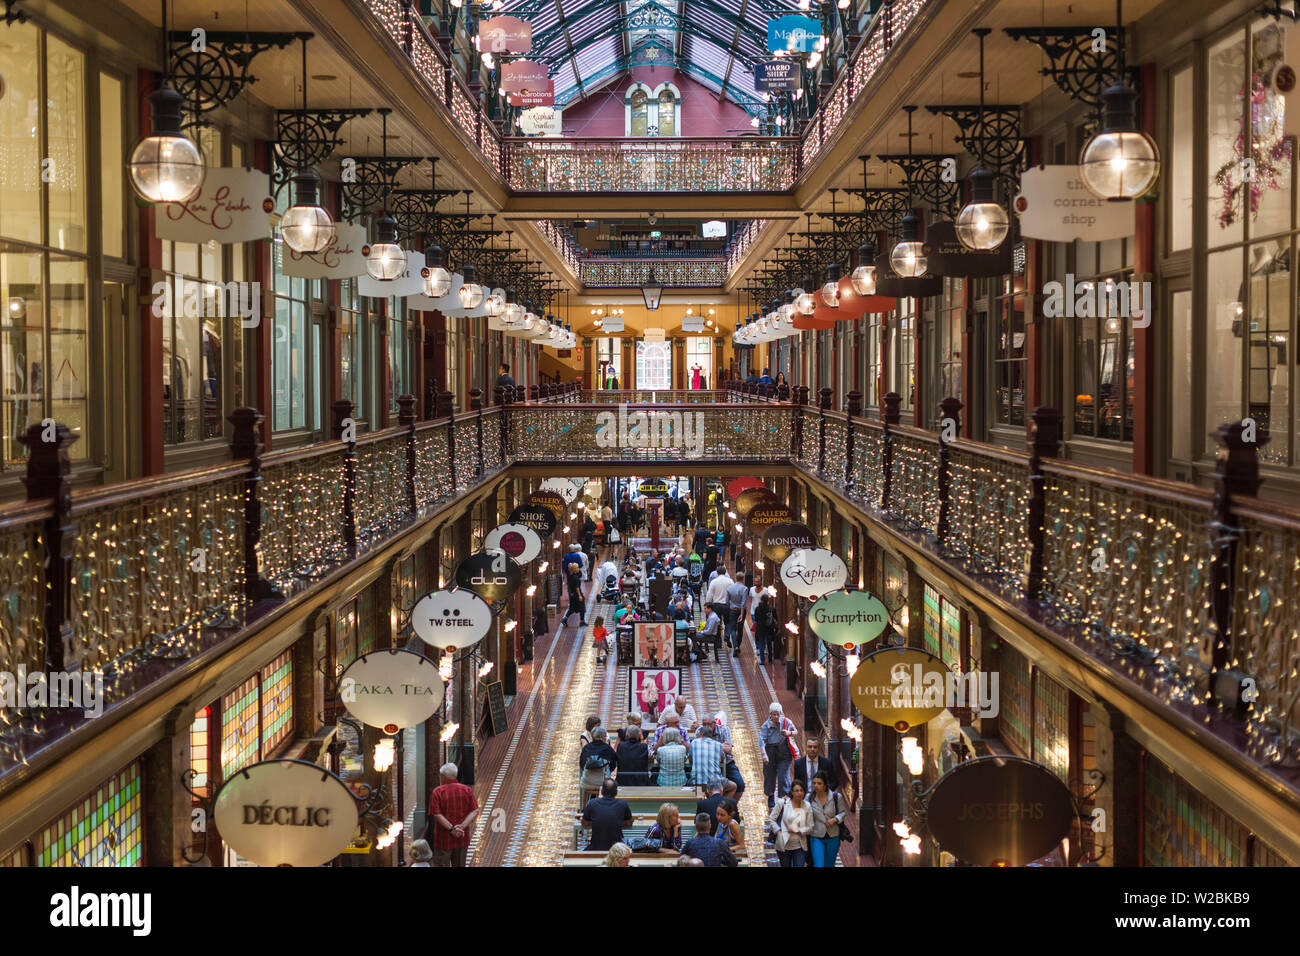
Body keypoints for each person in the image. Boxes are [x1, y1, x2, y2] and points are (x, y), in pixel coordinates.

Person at [428, 762, 478, 867]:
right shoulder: (466, 790)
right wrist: (462, 827)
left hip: (443, 839)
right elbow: (474, 811)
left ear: (443, 776)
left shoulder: (437, 792)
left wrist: (452, 829)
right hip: (461, 837)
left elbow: (437, 814)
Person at [759, 702, 799, 807]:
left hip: (784, 751)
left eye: (778, 714)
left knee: (783, 774)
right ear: (770, 714)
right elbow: (761, 741)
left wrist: (789, 733)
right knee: (769, 775)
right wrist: (764, 755)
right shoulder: (765, 726)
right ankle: (771, 795)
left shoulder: (787, 722)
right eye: (774, 714)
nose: (776, 717)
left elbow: (796, 731)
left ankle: (784, 796)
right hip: (770, 751)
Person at [768, 779, 813, 867]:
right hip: (784, 844)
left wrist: (798, 830)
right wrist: (778, 831)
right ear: (792, 792)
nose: (799, 793)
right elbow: (771, 819)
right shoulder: (783, 803)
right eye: (796, 791)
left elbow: (810, 827)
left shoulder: (807, 806)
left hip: (800, 845)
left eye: (801, 790)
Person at [808, 771, 848, 867]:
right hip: (816, 836)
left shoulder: (836, 797)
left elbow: (843, 813)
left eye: (819, 783)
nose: (816, 786)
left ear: (825, 785)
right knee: (819, 865)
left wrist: (835, 819)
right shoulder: (809, 798)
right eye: (814, 783)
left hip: (833, 837)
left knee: (829, 865)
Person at [583, 779, 633, 852]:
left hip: (595, 848)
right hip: (616, 850)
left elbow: (584, 823)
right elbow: (629, 823)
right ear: (616, 792)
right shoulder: (623, 803)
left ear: (602, 791)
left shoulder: (592, 803)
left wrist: (595, 821)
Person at [712, 712, 746, 797]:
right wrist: (720, 746)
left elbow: (728, 749)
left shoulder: (724, 729)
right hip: (711, 765)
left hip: (727, 763)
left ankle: (728, 807)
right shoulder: (702, 731)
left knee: (740, 785)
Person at [580, 727, 619, 793]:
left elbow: (581, 764)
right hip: (603, 783)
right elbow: (614, 763)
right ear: (602, 737)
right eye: (605, 736)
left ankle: (584, 802)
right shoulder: (607, 748)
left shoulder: (586, 747)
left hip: (586, 782)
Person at [688, 723, 727, 788]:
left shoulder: (694, 742)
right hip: (715, 782)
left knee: (688, 780)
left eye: (697, 735)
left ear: (701, 734)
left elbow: (690, 759)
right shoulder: (718, 744)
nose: (697, 736)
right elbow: (722, 760)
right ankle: (720, 797)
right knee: (733, 786)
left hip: (697, 782)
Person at [724, 572, 751, 656]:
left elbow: (727, 601)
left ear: (736, 578)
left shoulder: (730, 588)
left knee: (732, 628)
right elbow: (743, 602)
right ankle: (738, 645)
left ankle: (735, 646)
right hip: (741, 610)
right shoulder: (744, 589)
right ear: (743, 579)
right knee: (740, 629)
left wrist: (730, 609)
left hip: (732, 610)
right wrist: (742, 614)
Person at [704, 565, 734, 633]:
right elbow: (733, 592)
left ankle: (718, 640)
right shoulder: (730, 581)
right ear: (725, 572)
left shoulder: (714, 582)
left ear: (717, 573)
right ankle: (727, 635)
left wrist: (707, 604)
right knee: (728, 622)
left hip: (716, 605)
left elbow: (710, 594)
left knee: (717, 622)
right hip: (727, 605)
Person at [753, 590, 779, 665]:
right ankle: (770, 658)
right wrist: (776, 628)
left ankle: (762, 660)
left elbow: (756, 619)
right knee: (769, 643)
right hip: (769, 628)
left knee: (761, 644)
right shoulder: (771, 609)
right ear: (768, 600)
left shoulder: (757, 609)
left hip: (760, 628)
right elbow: (776, 619)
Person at [564, 562, 586, 626]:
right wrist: (579, 595)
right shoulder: (575, 578)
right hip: (577, 594)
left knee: (572, 608)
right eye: (578, 567)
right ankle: (582, 621)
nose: (579, 568)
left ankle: (564, 619)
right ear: (576, 569)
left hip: (573, 595)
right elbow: (577, 588)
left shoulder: (570, 576)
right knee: (582, 607)